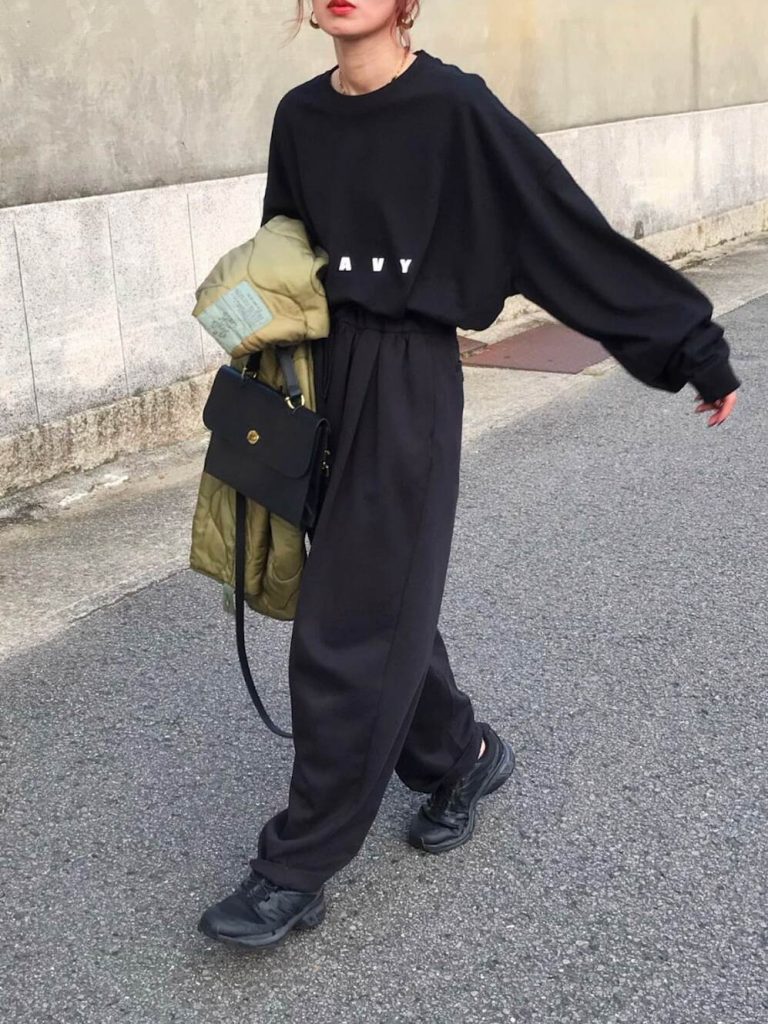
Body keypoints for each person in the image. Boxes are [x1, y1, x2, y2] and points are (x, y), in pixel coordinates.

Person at [198, 1, 740, 950]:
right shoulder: (300, 114)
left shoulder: (455, 108)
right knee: (377, 597)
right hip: (318, 380)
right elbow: (286, 252)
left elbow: (562, 232)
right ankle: (462, 755)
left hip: (408, 380)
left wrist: (688, 345)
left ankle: (296, 865)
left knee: (346, 627)